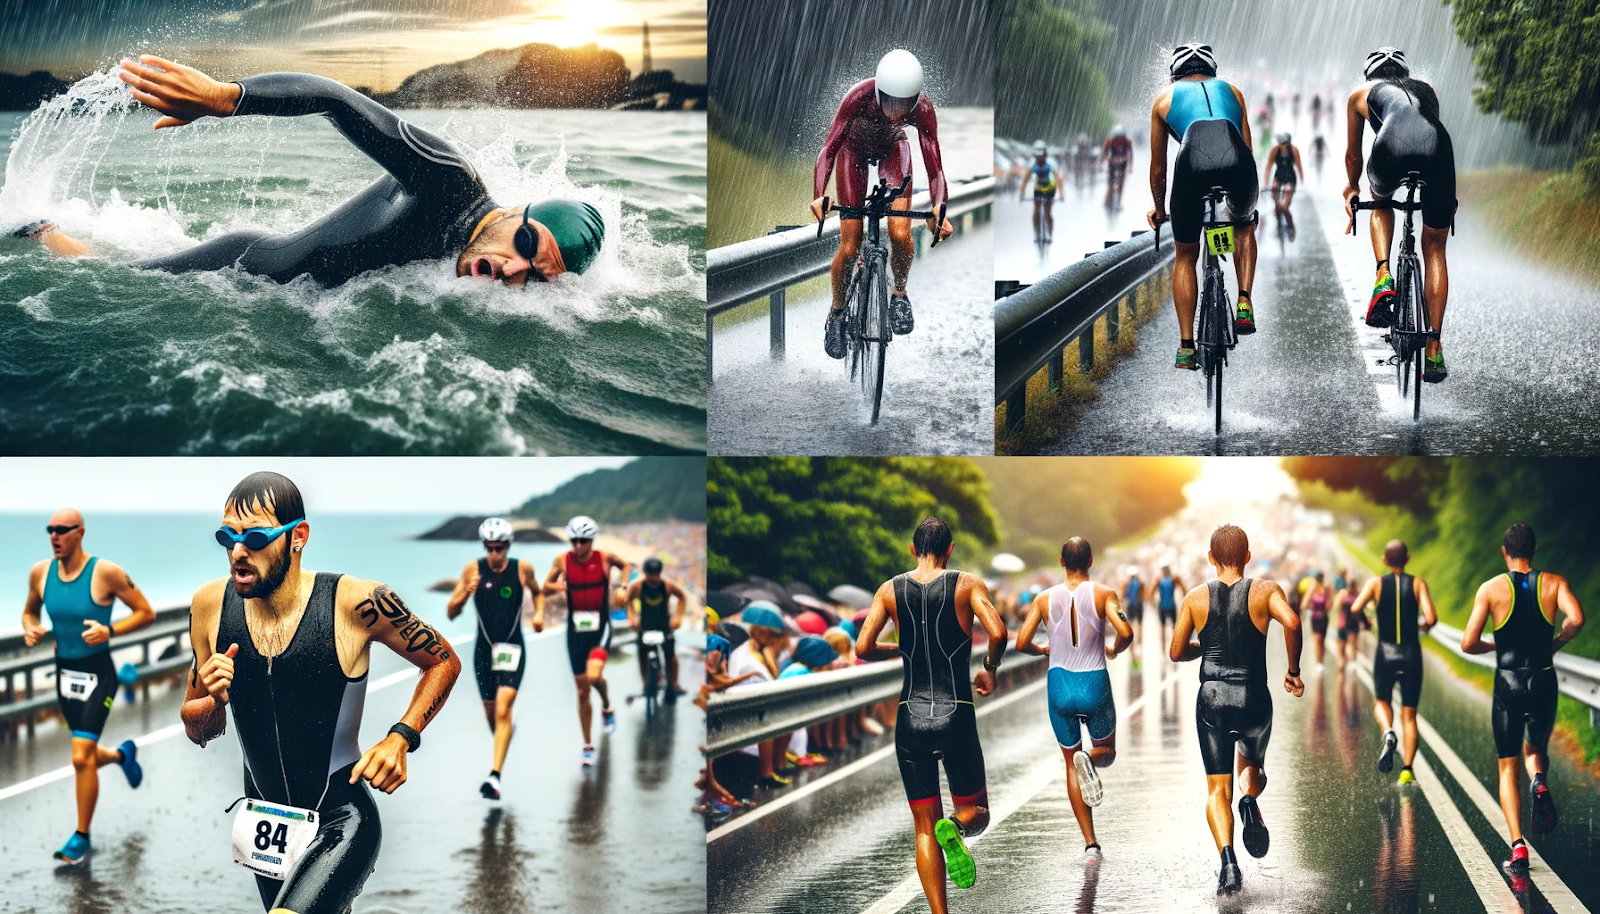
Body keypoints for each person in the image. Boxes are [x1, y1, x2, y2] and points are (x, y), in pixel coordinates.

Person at [13, 56, 604, 286]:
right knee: (112, 279)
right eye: (528, 242)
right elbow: (335, 98)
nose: (512, 270)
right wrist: (226, 97)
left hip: (273, 303)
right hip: (242, 269)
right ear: (520, 212)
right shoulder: (453, 182)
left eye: (534, 275)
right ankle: (39, 228)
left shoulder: (476, 274)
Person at [181, 472, 461, 913]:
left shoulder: (355, 603)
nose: (237, 552)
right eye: (226, 537)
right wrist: (213, 700)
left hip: (339, 817)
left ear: (298, 537)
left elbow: (443, 660)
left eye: (254, 537)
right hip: (267, 826)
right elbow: (198, 727)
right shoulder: (209, 606)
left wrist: (400, 738)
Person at [855, 517, 1007, 913]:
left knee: (923, 825)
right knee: (978, 812)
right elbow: (998, 631)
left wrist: (904, 648)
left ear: (912, 548)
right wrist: (989, 668)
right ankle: (956, 828)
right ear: (950, 549)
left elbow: (863, 646)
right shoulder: (967, 583)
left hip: (910, 719)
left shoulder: (889, 590)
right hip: (955, 712)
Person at [1169, 525, 1304, 896]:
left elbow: (1177, 651)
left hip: (1211, 699)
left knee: (1216, 790)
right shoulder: (1265, 591)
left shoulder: (1195, 599)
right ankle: (1249, 800)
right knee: (1254, 768)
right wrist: (1292, 672)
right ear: (1247, 556)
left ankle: (1228, 863)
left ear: (1211, 558)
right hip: (1254, 698)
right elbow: (1292, 621)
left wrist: (1205, 648)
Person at [20, 509, 155, 864]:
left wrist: (109, 631)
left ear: (80, 533)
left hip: (99, 674)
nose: (54, 536)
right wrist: (30, 626)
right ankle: (121, 755)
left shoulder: (105, 573)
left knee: (80, 756)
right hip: (65, 674)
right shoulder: (40, 572)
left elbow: (145, 612)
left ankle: (81, 837)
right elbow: (29, 611)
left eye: (62, 530)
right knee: (87, 752)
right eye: (50, 530)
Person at [812, 49, 955, 359]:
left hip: (893, 148)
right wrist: (819, 194)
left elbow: (936, 169)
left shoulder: (924, 110)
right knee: (850, 245)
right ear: (878, 91)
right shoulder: (858, 97)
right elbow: (828, 150)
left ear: (916, 99)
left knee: (901, 233)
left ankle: (899, 294)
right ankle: (837, 313)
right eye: (890, 101)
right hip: (854, 152)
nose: (896, 110)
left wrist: (939, 208)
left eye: (905, 104)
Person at [1460, 523, 1585, 872]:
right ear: (1535, 548)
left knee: (1506, 766)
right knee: (1536, 750)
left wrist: (1493, 645)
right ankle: (1540, 781)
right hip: (1543, 680)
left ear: (1505, 551)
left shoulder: (1490, 588)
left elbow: (1468, 642)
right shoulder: (1555, 583)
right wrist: (1557, 641)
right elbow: (1576, 619)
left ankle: (1518, 847)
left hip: (1508, 685)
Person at [1342, 47, 1456, 382]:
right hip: (1438, 148)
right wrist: (1449, 195)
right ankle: (1434, 348)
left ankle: (1383, 276)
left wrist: (1352, 189)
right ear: (1405, 74)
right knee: (1434, 247)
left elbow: (1353, 156)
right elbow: (1427, 130)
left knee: (1381, 200)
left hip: (1390, 147)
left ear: (1369, 75)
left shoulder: (1360, 95)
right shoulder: (1426, 89)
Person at [1013, 537, 1133, 859]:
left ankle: (1090, 844)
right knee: (1106, 752)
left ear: (1061, 561)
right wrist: (1114, 650)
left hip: (1059, 685)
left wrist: (1042, 649)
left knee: (1070, 761)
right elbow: (1126, 632)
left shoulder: (1042, 599)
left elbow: (1022, 642)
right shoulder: (1104, 594)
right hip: (1094, 682)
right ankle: (1090, 759)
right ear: (1091, 561)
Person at [1147, 43, 1260, 371]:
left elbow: (1158, 168)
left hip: (1191, 168)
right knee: (1244, 224)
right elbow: (1247, 150)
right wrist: (1243, 202)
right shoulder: (1233, 92)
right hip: (1237, 165)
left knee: (1186, 255)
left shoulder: (1164, 100)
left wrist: (1159, 208)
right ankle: (1244, 302)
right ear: (1213, 72)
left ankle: (1186, 346)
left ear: (1174, 75)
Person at [444, 517, 544, 802]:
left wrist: (538, 614)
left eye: (499, 548)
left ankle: (494, 776)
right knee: (493, 715)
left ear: (508, 546)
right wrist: (465, 592)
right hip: (483, 652)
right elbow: (451, 612)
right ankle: (504, 734)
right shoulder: (473, 570)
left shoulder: (522, 569)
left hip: (513, 648)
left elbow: (537, 593)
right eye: (489, 548)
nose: (494, 554)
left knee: (503, 709)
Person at [540, 515, 630, 767]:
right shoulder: (563, 561)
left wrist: (622, 587)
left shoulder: (605, 558)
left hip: (600, 627)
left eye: (584, 541)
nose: (579, 546)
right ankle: (588, 745)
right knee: (581, 691)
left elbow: (626, 565)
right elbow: (546, 585)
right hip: (575, 631)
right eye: (575, 540)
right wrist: (561, 587)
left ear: (592, 540)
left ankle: (607, 705)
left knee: (593, 677)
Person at [1349, 539, 1438, 784]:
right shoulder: (1418, 584)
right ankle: (1407, 769)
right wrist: (1425, 626)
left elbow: (1355, 607)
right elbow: (1431, 617)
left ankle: (1388, 731)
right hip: (1411, 654)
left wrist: (1365, 623)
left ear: (1384, 561)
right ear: (1407, 559)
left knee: (1382, 701)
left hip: (1385, 653)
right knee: (1409, 715)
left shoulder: (1376, 584)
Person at [624, 556, 691, 697]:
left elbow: (682, 598)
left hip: (664, 626)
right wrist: (632, 617)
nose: (652, 578)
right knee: (642, 655)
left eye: (655, 575)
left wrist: (678, 617)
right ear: (645, 573)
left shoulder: (667, 585)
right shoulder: (637, 586)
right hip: (645, 626)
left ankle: (674, 683)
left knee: (671, 655)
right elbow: (628, 600)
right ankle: (645, 683)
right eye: (650, 575)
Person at [1020, 142, 1062, 242]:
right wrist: (1022, 193)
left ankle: (1050, 232)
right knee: (1036, 211)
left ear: (1045, 155)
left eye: (1041, 156)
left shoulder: (1051, 163)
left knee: (1047, 213)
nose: (1039, 158)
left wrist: (1061, 193)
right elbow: (1025, 179)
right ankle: (1036, 231)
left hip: (1050, 189)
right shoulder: (1032, 164)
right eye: (1037, 156)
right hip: (1038, 189)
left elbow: (1058, 178)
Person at [1264, 133, 1303, 229]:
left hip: (1290, 177)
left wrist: (1302, 182)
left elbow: (1299, 165)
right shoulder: (1275, 150)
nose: (1284, 146)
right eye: (1282, 144)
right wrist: (1266, 183)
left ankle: (1291, 225)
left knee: (1285, 206)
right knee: (1274, 189)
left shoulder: (1294, 150)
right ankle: (1276, 208)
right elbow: (1269, 166)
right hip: (1279, 175)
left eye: (1286, 144)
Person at [1102, 125, 1134, 209]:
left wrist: (1130, 166)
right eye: (1117, 137)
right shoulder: (1110, 141)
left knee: (1122, 182)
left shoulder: (1127, 142)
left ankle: (1118, 202)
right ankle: (1108, 200)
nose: (1119, 139)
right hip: (1112, 162)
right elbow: (1104, 151)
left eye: (1121, 137)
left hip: (1123, 163)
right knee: (1110, 182)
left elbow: (1130, 154)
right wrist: (1103, 160)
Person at [1335, 575, 1363, 668]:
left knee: (1354, 642)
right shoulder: (1343, 594)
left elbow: (1362, 608)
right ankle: (1342, 659)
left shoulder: (1358, 594)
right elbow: (1337, 606)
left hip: (1354, 623)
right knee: (1342, 644)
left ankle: (1353, 660)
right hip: (1344, 623)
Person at [1304, 570, 1329, 666]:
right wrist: (1312, 606)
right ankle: (1319, 663)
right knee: (1317, 639)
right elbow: (1304, 604)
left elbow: (1329, 605)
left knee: (1322, 640)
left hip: (1324, 618)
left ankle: (1321, 659)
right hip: (1315, 618)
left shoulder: (1326, 589)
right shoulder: (1312, 589)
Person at [1156, 564, 1186, 644]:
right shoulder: (1174, 578)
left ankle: (1162, 650)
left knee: (1162, 627)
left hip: (1162, 606)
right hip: (1172, 605)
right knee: (1174, 627)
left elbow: (1150, 593)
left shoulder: (1159, 579)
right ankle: (1175, 646)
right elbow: (1184, 590)